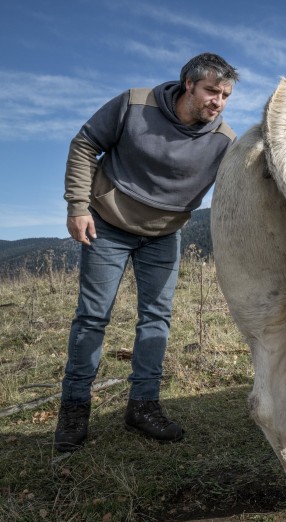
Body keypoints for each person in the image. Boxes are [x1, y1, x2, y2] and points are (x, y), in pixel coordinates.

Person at [54, 53, 239, 452]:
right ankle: (73, 408)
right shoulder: (134, 104)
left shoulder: (225, 141)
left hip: (163, 235)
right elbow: (85, 144)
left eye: (225, 95)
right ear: (188, 84)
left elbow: (250, 179)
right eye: (211, 91)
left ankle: (142, 406)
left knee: (156, 318)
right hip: (107, 225)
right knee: (92, 316)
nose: (218, 102)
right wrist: (77, 206)